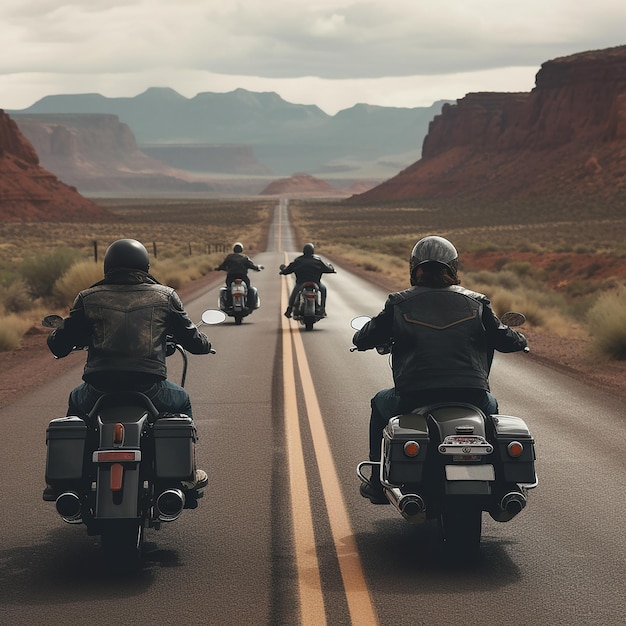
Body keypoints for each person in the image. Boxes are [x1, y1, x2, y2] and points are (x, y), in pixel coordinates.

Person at [352, 235, 528, 503]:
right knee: (491, 411)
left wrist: (366, 340)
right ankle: (503, 484)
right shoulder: (477, 302)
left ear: (415, 268)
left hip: (414, 396)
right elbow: (504, 338)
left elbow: (363, 337)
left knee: (380, 403)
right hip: (472, 396)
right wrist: (521, 340)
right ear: (452, 268)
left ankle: (377, 481)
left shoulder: (399, 303)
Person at [46, 238, 211, 491]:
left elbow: (59, 345)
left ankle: (71, 478)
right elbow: (194, 341)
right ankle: (186, 472)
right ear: (144, 266)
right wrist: (204, 343)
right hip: (150, 388)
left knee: (76, 404)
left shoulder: (87, 298)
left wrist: (57, 336)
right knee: (182, 400)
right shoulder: (165, 296)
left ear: (107, 266)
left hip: (98, 389)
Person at [280, 243, 336, 318]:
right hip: (316, 282)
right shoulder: (318, 260)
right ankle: (322, 308)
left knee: (294, 293)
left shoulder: (298, 260)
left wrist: (283, 271)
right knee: (323, 289)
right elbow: (327, 268)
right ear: (312, 251)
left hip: (301, 282)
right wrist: (332, 270)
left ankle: (289, 310)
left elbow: (289, 269)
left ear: (304, 251)